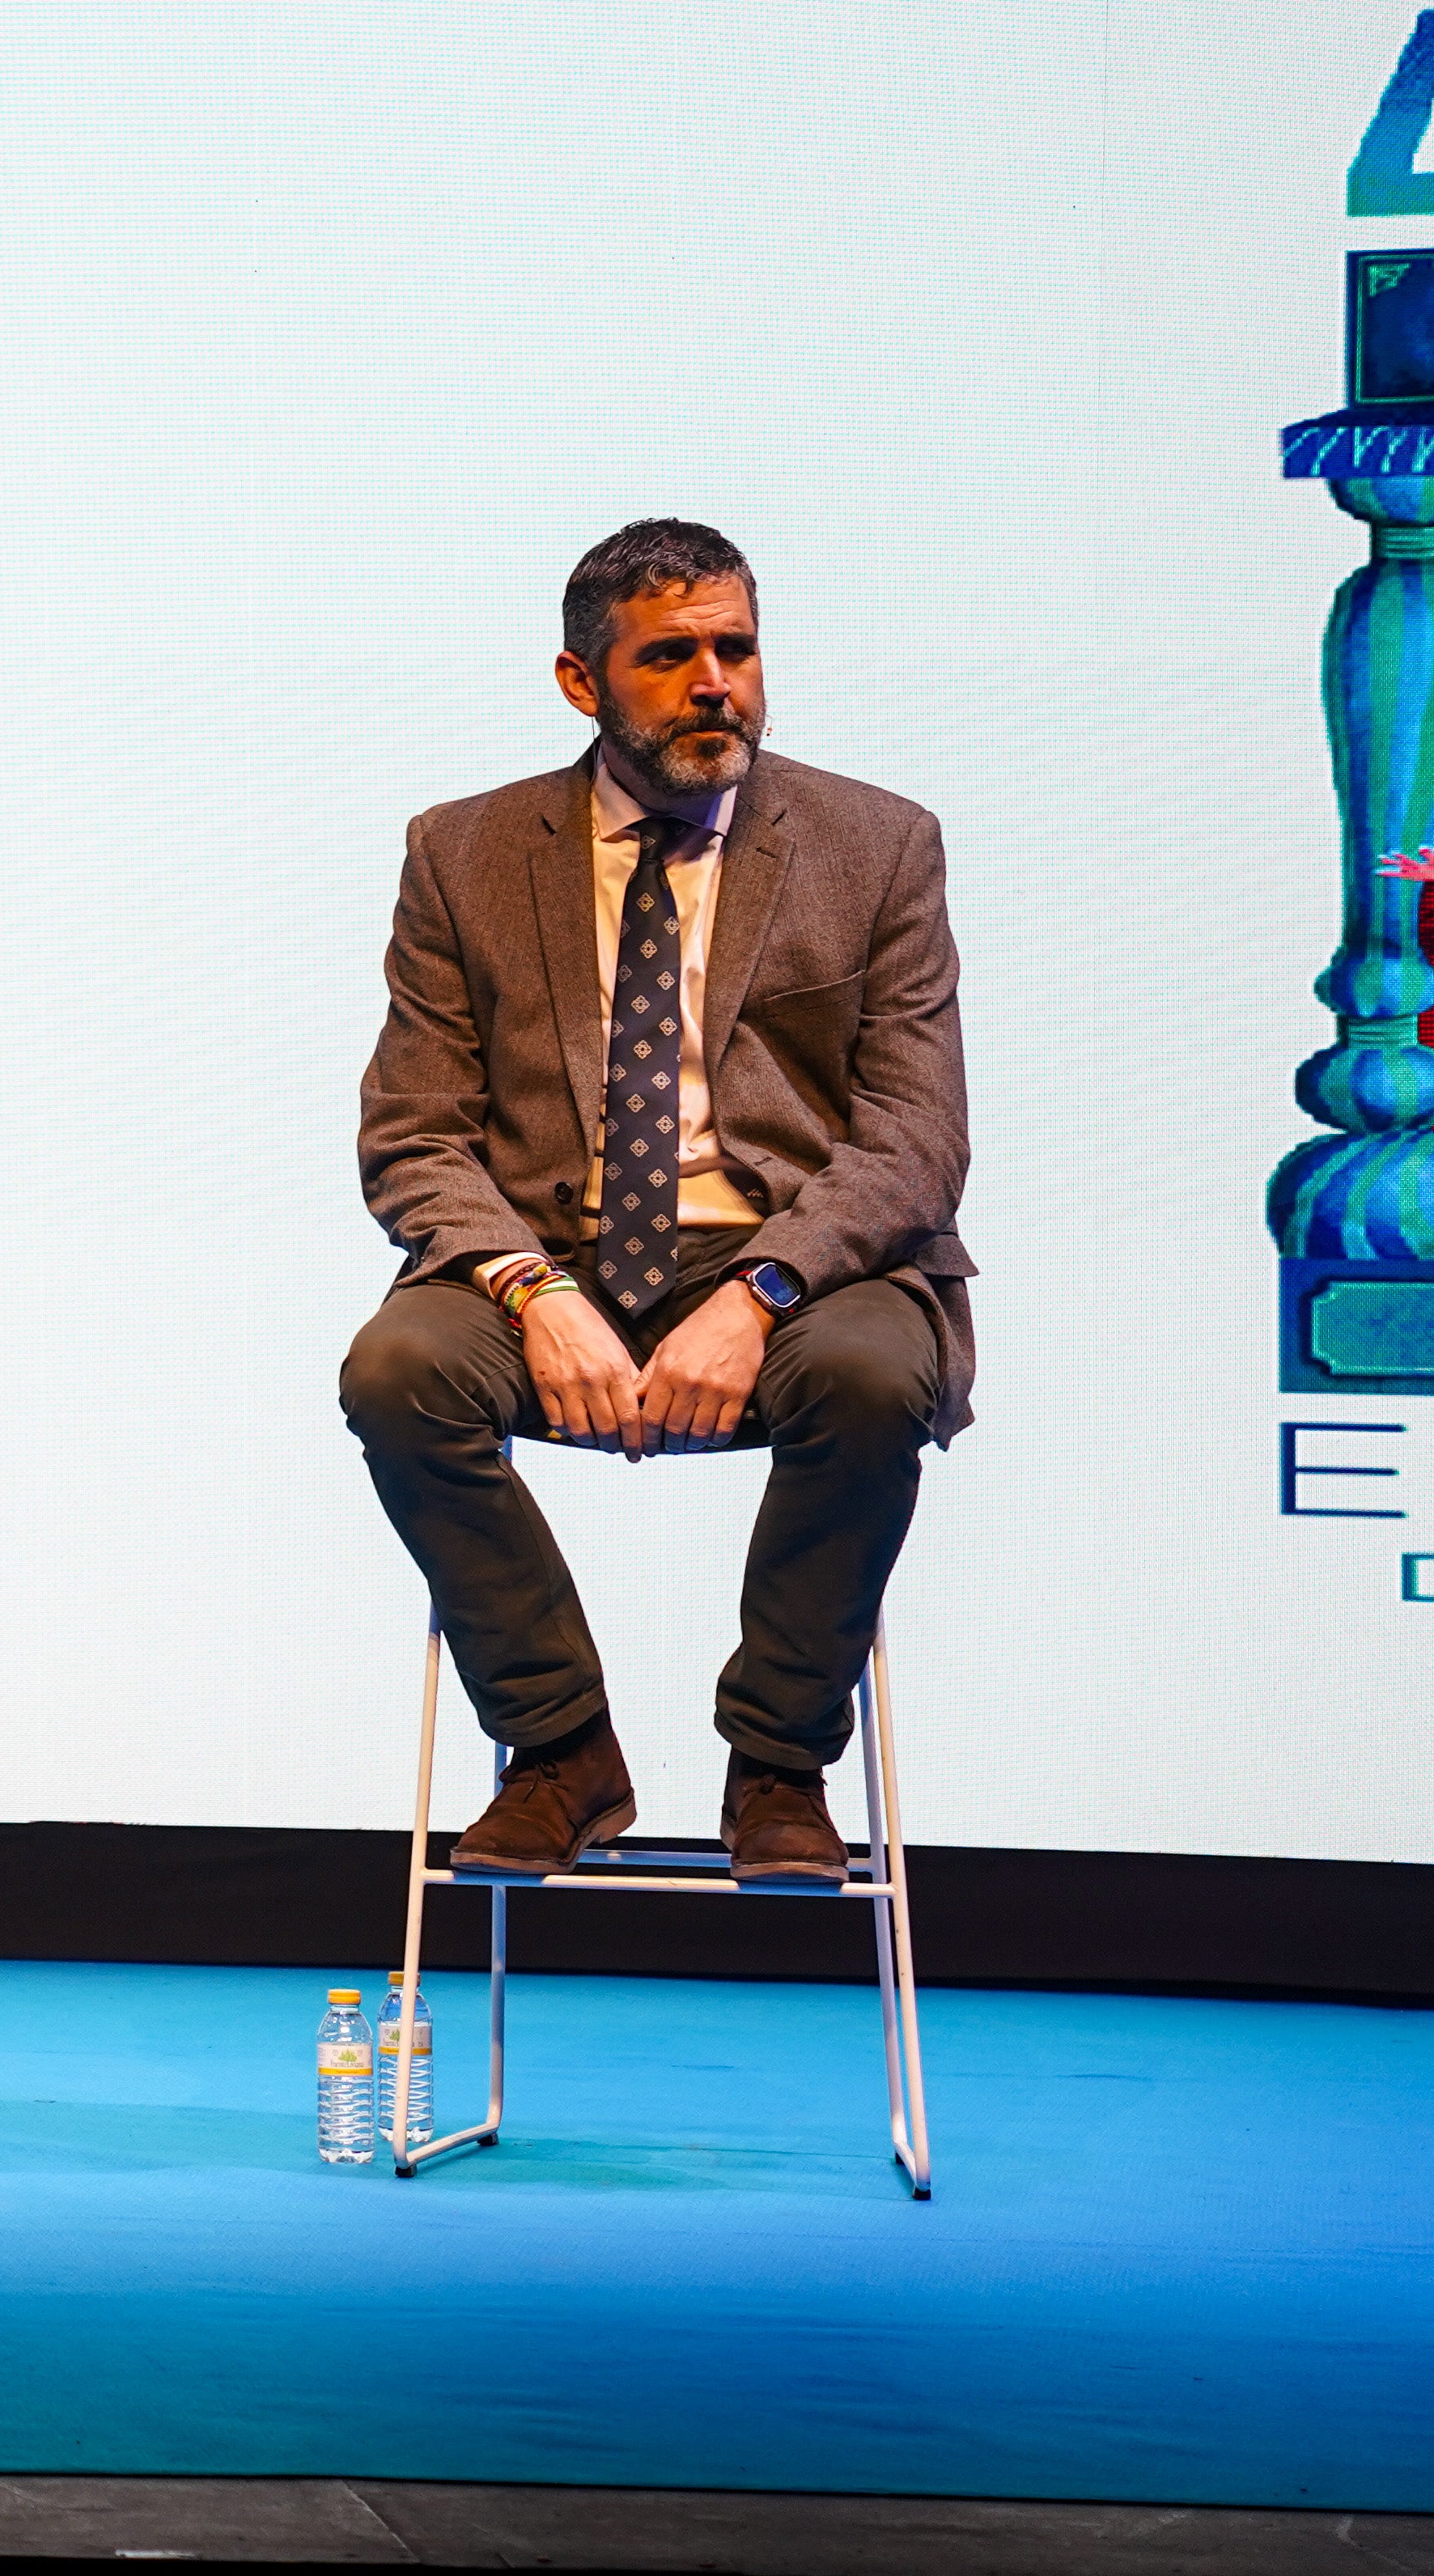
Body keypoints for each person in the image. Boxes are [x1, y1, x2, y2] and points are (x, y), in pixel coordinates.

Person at [340, 520, 972, 1891]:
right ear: (583, 681)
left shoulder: (875, 845)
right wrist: (530, 1288)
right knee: (399, 1371)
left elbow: (914, 1137)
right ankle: (561, 1749)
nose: (715, 685)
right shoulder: (464, 852)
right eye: (671, 656)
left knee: (871, 1373)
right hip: (549, 1260)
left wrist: (764, 1292)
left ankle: (781, 1762)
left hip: (796, 1262)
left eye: (735, 650)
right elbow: (414, 1132)